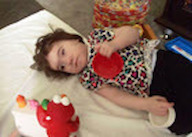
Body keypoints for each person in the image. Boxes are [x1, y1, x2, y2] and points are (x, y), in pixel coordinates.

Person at [32, 25, 192, 135]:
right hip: (153, 87)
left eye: (63, 52)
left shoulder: (98, 38)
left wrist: (115, 44)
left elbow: (133, 32)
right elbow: (116, 96)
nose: (67, 62)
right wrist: (146, 104)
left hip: (161, 63)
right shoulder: (89, 79)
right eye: (62, 66)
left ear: (75, 39)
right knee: (179, 124)